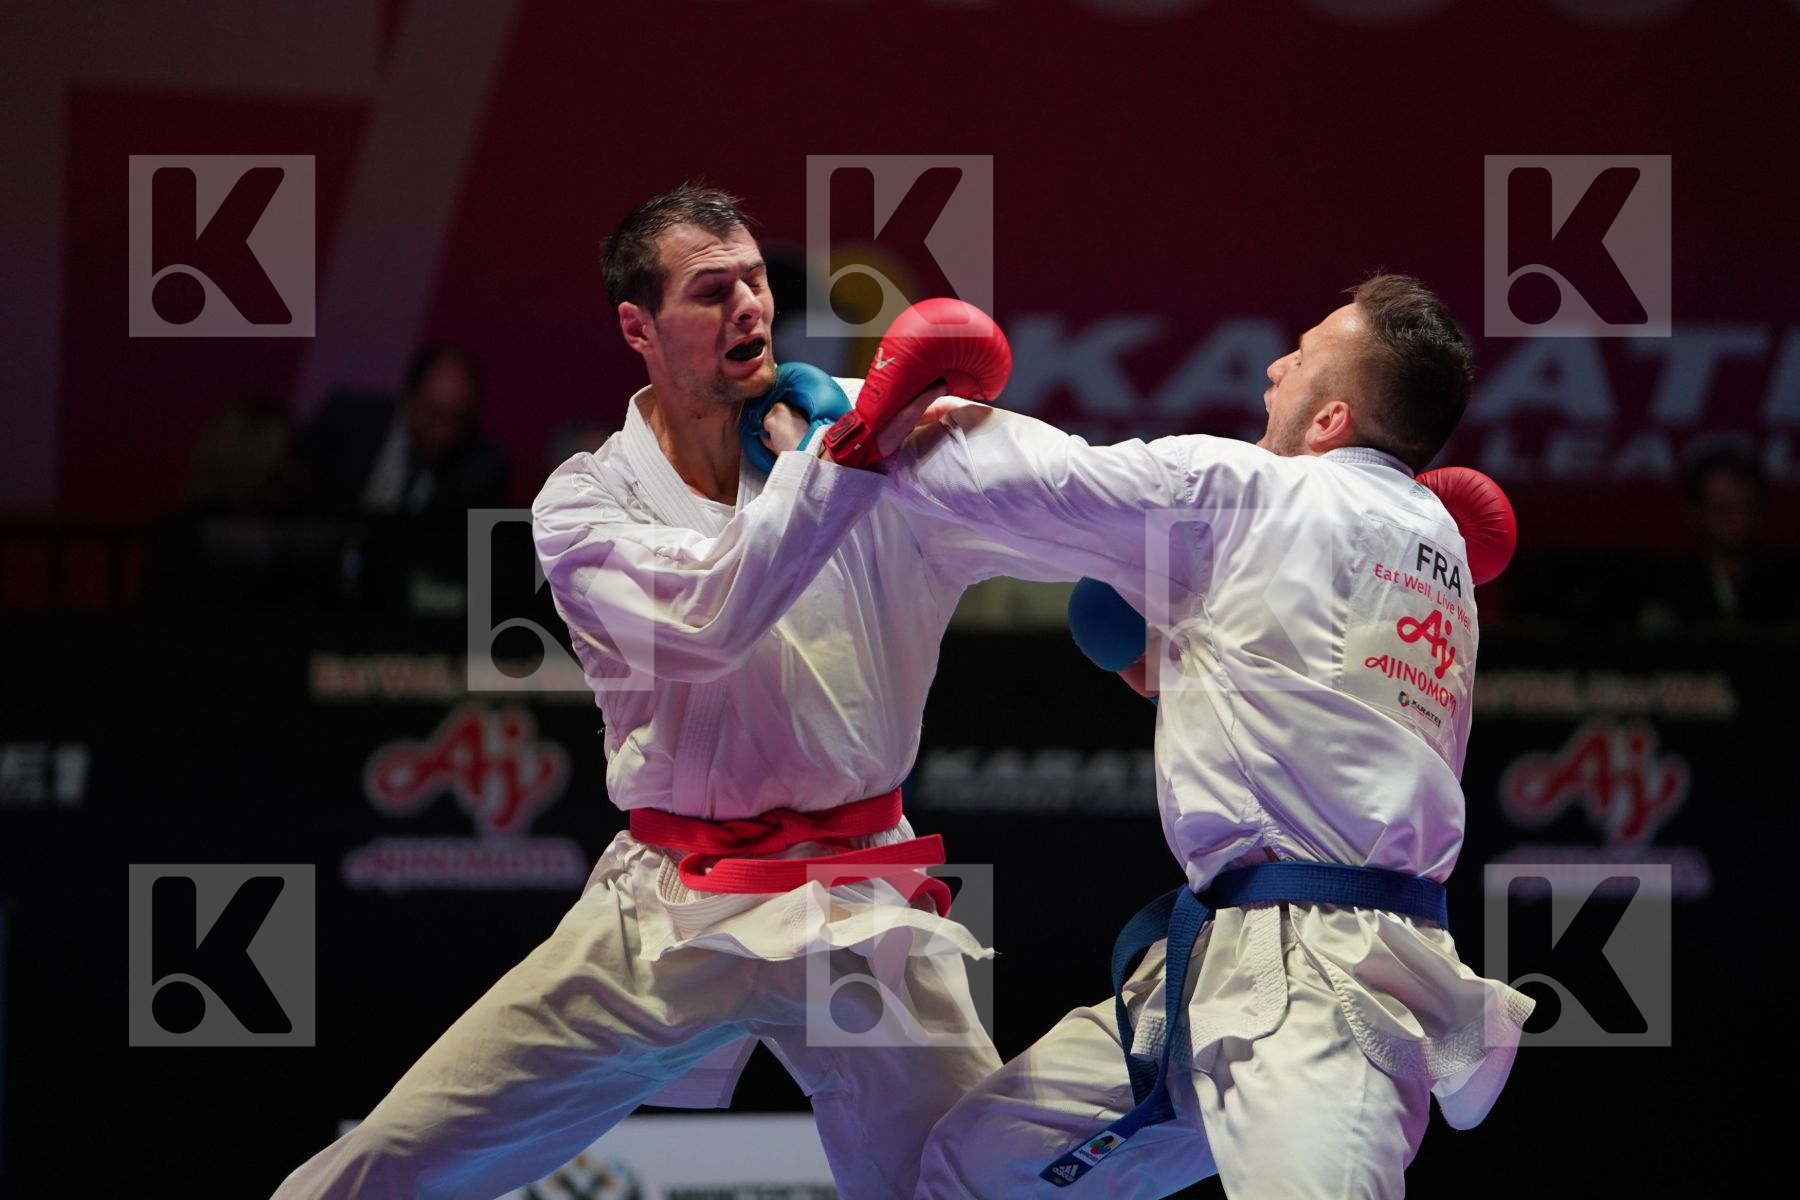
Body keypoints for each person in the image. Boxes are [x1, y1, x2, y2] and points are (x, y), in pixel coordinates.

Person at [274, 184, 1045, 1200]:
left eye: (758, 282)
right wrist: (837, 463)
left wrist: (1190, 564)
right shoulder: (583, 500)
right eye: (712, 290)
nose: (750, 308)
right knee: (389, 1163)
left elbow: (1058, 492)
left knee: (976, 1178)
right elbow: (710, 619)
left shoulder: (871, 432)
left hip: (856, 896)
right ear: (637, 325)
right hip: (665, 907)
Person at [769, 274, 1535, 1197]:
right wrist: (1172, 646)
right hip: (1216, 963)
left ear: (1330, 420)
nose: (1273, 367)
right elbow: (1298, 676)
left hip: (1327, 993)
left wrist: (843, 424)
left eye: (1302, 356)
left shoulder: (1254, 494)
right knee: (976, 1167)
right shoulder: (1438, 547)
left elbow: (1026, 481)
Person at [301, 341, 509, 518]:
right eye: (433, 414)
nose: (443, 432)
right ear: (409, 399)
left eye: (456, 420)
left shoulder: (483, 469)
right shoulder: (346, 422)